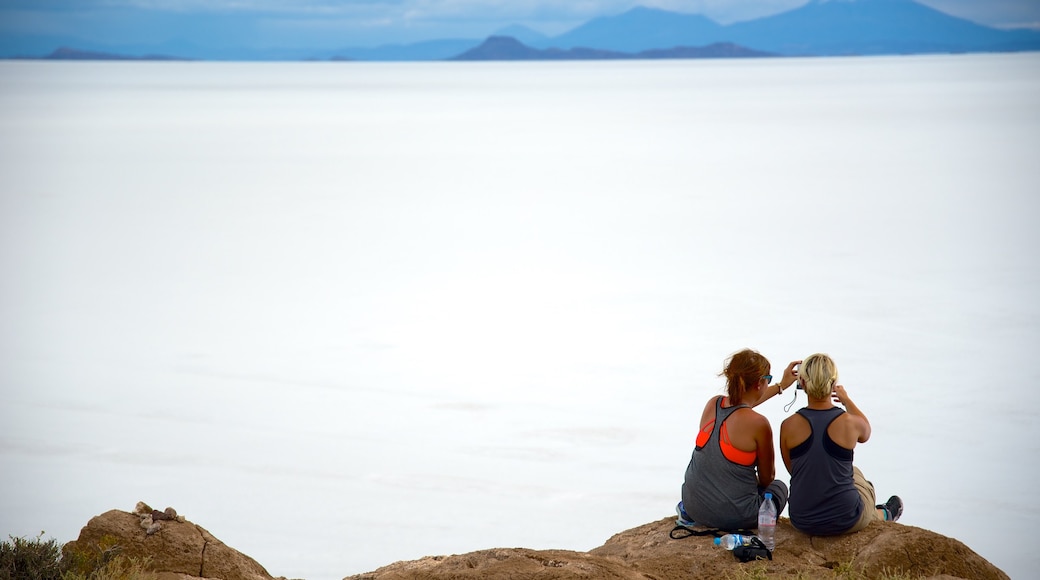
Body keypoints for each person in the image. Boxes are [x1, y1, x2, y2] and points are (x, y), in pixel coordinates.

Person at [779, 353, 903, 536]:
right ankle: (882, 513)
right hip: (846, 519)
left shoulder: (788, 425)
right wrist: (846, 399)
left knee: (842, 472)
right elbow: (866, 431)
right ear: (833, 384)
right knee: (858, 477)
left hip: (802, 519)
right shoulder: (849, 422)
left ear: (803, 383)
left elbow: (794, 470)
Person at [677, 348, 800, 530]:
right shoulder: (759, 424)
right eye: (768, 380)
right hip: (734, 517)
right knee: (779, 488)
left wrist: (781, 386)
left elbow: (741, 404)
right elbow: (767, 479)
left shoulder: (713, 404)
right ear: (759, 383)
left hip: (693, 506)